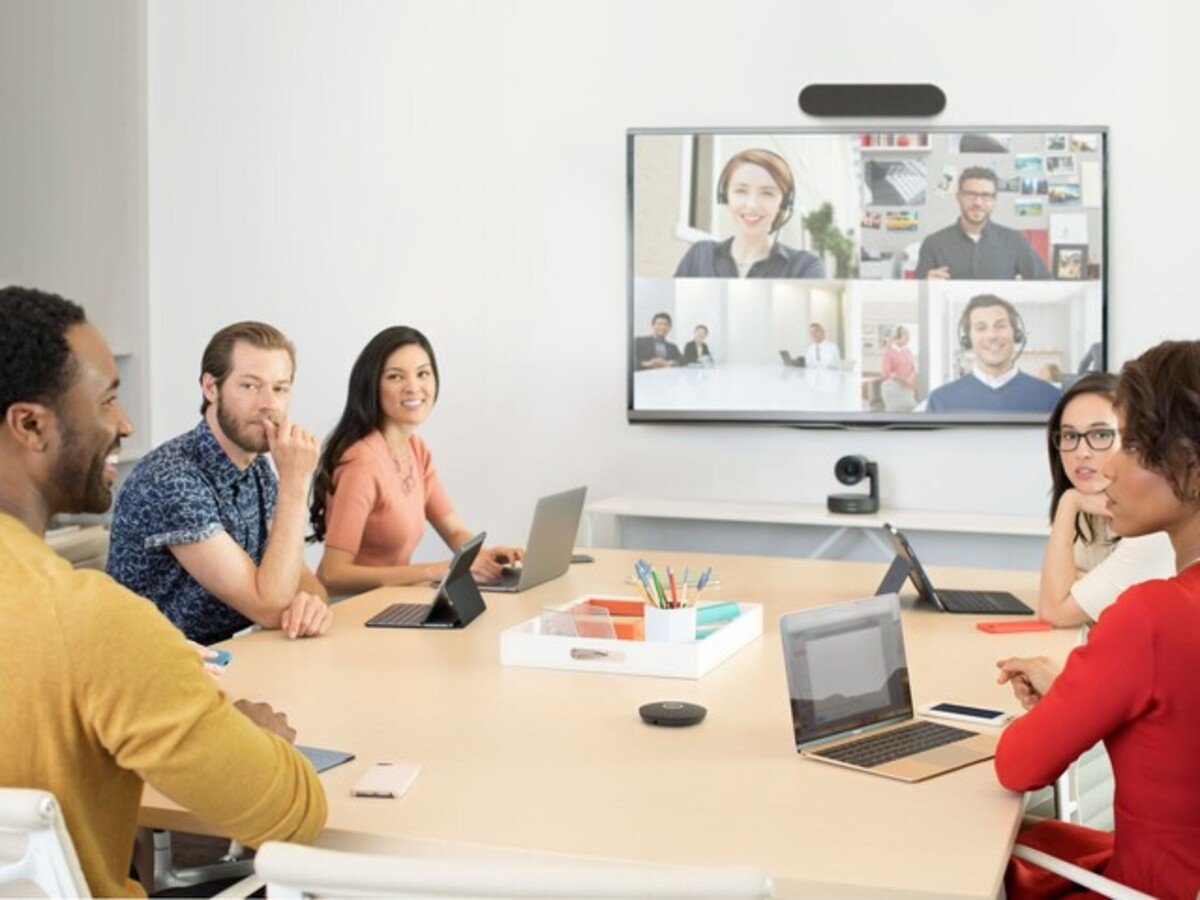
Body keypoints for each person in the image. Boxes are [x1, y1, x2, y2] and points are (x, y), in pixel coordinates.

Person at [0, 288, 326, 896]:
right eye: (107, 400)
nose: (125, 424)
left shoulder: (255, 467)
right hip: (190, 716)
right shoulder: (99, 624)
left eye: (279, 388)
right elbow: (293, 812)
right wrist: (258, 738)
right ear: (30, 425)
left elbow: (294, 578)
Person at [995, 341, 1200, 898]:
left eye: (1128, 445)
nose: (1104, 466)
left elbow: (1018, 764)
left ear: (1187, 464)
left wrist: (1068, 702)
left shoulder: (1154, 614)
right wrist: (1080, 689)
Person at [108, 321, 332, 645]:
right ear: (210, 388)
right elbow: (269, 608)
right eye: (250, 386)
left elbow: (302, 579)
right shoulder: (172, 479)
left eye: (280, 388)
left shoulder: (256, 467)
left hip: (225, 657)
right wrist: (295, 485)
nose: (269, 403)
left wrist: (311, 605)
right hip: (153, 672)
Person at [310, 326, 523, 594]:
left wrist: (487, 557)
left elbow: (455, 531)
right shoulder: (362, 463)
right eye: (396, 377)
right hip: (347, 610)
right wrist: (435, 570)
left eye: (423, 373)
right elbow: (333, 574)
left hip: (388, 603)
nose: (414, 387)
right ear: (372, 385)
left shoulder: (415, 449)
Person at [1036, 373, 1174, 626]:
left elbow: (1054, 611)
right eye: (1070, 436)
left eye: (1100, 435)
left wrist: (1068, 503)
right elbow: (1058, 592)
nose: (1081, 452)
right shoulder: (1091, 505)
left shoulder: (1153, 532)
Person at [674, 148, 824, 279]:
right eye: (741, 191)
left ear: (783, 203)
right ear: (725, 196)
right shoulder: (699, 255)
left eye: (767, 193)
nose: (752, 205)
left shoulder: (805, 267)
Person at [925, 294, 1060, 413]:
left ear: (1016, 334)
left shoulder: (1051, 397)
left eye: (1000, 326)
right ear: (967, 340)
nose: (991, 336)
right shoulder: (940, 401)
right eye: (981, 328)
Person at [916, 167, 1051, 280]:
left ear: (994, 200)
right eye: (970, 194)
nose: (978, 203)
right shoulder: (933, 244)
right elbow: (917, 299)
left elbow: (1047, 285)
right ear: (958, 197)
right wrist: (925, 286)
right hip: (952, 313)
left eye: (986, 196)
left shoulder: (1014, 241)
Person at [880, 325, 918, 411]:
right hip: (894, 387)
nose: (908, 339)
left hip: (907, 387)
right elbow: (886, 374)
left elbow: (913, 368)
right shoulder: (888, 352)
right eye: (906, 336)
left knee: (911, 409)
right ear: (898, 337)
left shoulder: (908, 351)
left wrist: (909, 380)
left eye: (909, 336)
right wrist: (901, 379)